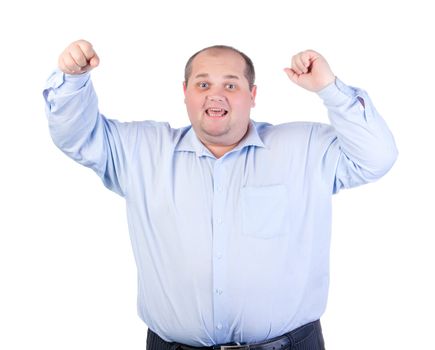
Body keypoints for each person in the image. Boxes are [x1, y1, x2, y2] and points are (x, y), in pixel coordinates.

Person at [43, 40, 397, 350]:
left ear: (252, 95)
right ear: (185, 92)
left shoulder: (304, 148)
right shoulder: (141, 151)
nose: (216, 94)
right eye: (203, 83)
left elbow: (377, 157)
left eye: (231, 84)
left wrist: (329, 88)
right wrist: (73, 81)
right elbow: (78, 137)